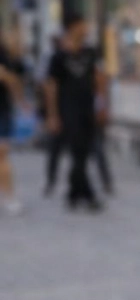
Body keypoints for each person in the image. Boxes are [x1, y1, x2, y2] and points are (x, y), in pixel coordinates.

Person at [45, 14, 105, 211]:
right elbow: (51, 86)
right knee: (77, 151)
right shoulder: (58, 57)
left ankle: (73, 193)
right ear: (72, 27)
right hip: (68, 110)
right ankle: (88, 195)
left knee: (84, 152)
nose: (86, 28)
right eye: (82, 25)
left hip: (87, 108)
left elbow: (98, 80)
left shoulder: (90, 53)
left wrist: (101, 105)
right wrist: (53, 115)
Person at [0, 29, 26, 215]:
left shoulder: (3, 53)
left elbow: (13, 79)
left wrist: (20, 100)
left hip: (1, 109)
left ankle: (9, 196)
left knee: (2, 155)